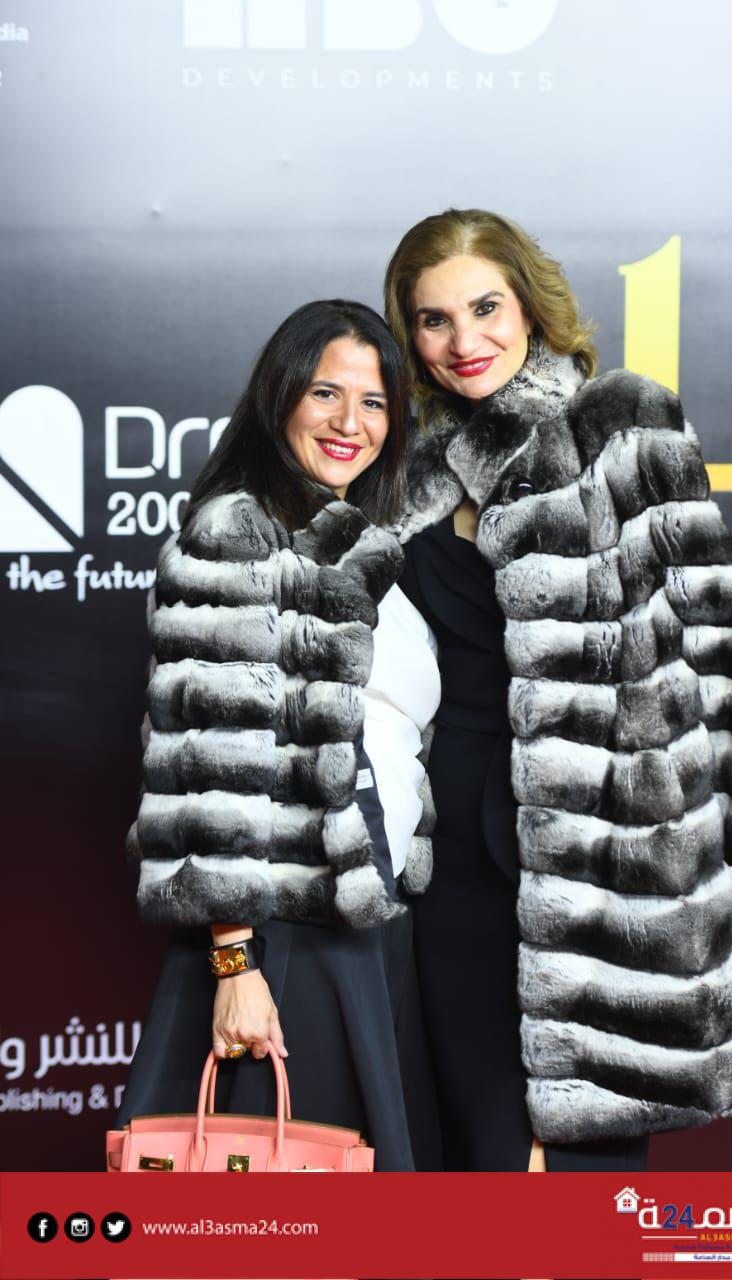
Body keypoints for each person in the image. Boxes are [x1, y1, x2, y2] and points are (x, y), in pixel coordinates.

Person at [383, 208, 732, 1173]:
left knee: (574, 1170)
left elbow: (715, 627)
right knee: (467, 1151)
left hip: (606, 850)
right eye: (433, 319)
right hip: (451, 861)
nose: (463, 340)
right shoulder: (405, 471)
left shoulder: (622, 422)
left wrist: (731, 814)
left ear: (530, 308)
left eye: (485, 308)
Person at [115, 299, 442, 1171]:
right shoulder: (237, 532)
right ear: (281, 396)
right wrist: (236, 965)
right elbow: (210, 772)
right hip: (281, 938)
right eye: (325, 393)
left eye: (374, 402)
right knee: (279, 1209)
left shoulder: (359, 541)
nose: (349, 423)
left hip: (368, 924)